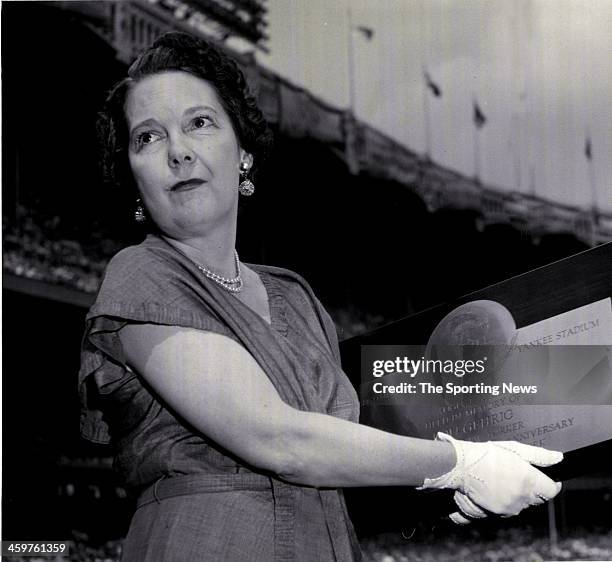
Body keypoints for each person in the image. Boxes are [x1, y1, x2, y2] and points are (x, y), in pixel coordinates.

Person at [79, 31, 563, 561]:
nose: (177, 151)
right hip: (204, 546)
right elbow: (278, 441)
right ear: (132, 175)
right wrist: (461, 463)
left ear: (242, 153)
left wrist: (448, 490)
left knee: (574, 379)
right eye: (147, 137)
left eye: (200, 122)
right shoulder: (140, 273)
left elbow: (347, 457)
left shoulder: (295, 297)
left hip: (328, 546)